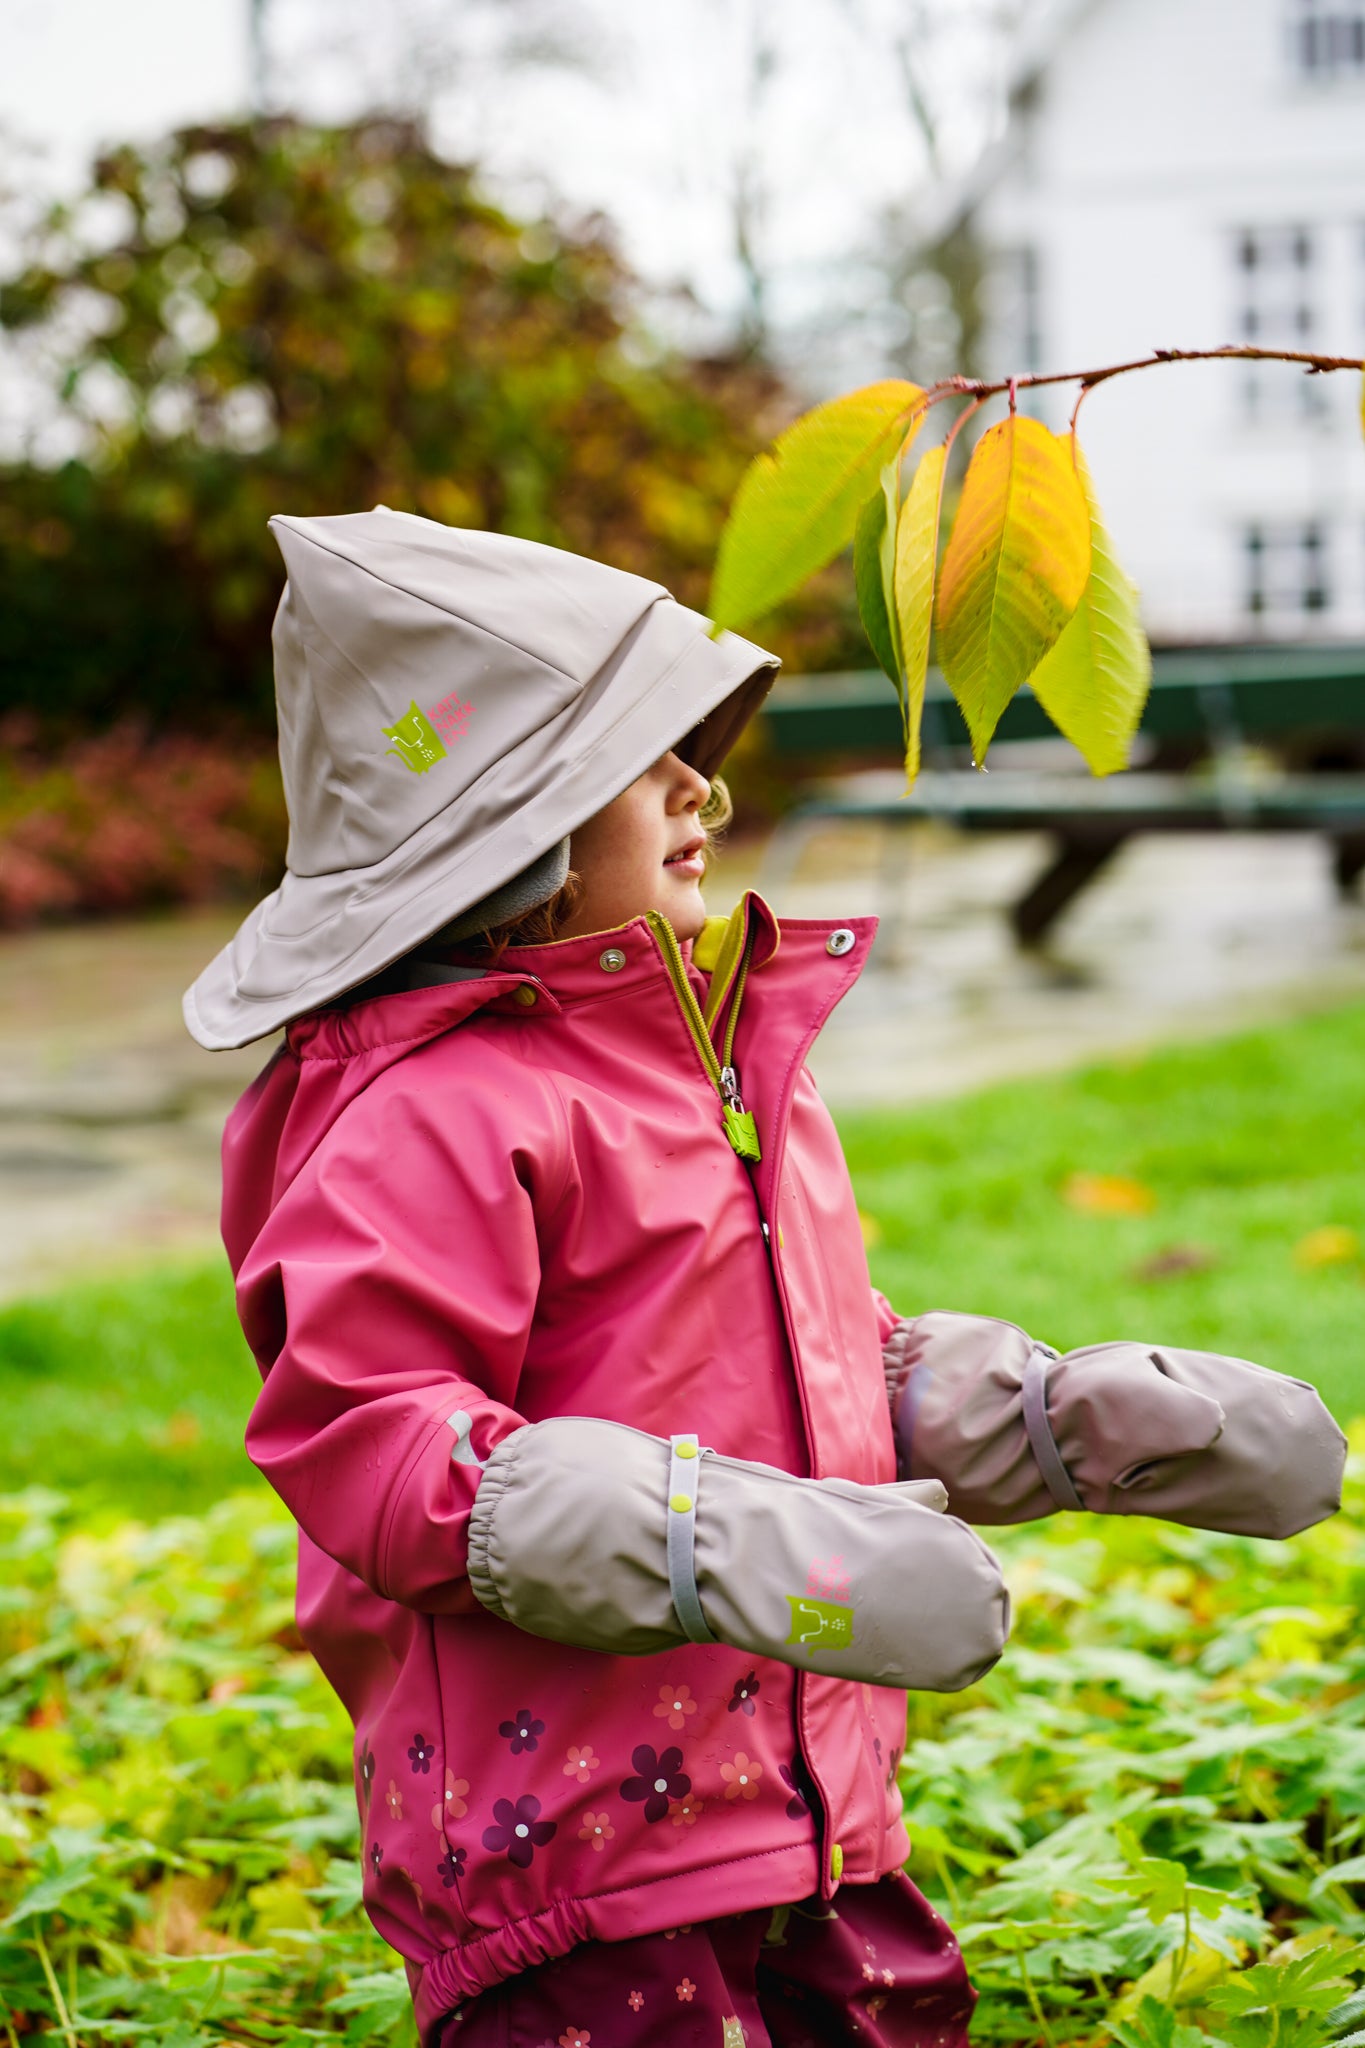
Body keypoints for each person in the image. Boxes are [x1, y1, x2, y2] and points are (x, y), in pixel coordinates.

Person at [187, 509, 1346, 2048]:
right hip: (583, 1861)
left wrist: (1046, 1420)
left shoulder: (715, 1060)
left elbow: (803, 1362)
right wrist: (724, 1543)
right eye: (639, 754)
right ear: (499, 826)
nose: (700, 786)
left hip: (815, 1814)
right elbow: (374, 1444)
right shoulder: (427, 1114)